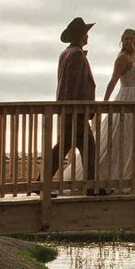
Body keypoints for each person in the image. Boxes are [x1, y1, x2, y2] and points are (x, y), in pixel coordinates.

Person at [46, 16, 97, 183]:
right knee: (88, 149)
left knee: (62, 149)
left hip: (69, 111)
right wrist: (73, 110)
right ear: (81, 36)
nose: (88, 36)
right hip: (76, 112)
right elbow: (72, 85)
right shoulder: (76, 55)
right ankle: (91, 186)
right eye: (86, 33)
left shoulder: (66, 53)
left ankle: (41, 182)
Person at [100, 28, 135, 185]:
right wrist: (104, 103)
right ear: (122, 41)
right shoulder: (122, 58)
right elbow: (113, 80)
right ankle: (114, 178)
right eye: (127, 39)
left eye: (133, 39)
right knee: (123, 138)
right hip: (128, 98)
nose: (130, 42)